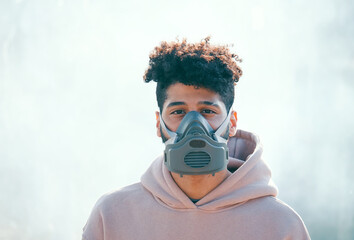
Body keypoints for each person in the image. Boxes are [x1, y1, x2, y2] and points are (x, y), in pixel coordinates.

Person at [82, 37, 310, 240]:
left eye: (208, 111)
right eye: (178, 112)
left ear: (231, 123)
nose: (193, 126)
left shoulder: (281, 226)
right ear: (158, 123)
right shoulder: (112, 216)